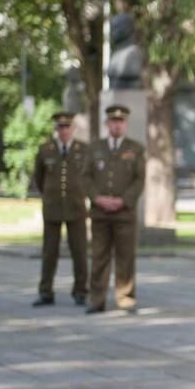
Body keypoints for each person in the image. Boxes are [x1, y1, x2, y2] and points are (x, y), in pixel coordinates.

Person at [83, 105, 145, 314]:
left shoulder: (136, 149)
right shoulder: (95, 148)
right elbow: (85, 176)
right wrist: (96, 197)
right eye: (113, 121)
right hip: (100, 212)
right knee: (99, 257)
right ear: (107, 124)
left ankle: (126, 298)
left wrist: (123, 200)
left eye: (121, 122)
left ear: (125, 124)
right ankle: (96, 300)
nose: (117, 125)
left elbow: (139, 179)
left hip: (124, 213)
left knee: (125, 257)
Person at [32, 112, 89, 307]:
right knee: (49, 252)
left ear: (73, 129)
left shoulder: (84, 149)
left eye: (67, 127)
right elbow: (39, 179)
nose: (63, 131)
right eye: (60, 127)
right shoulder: (45, 149)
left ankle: (81, 291)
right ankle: (45, 291)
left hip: (76, 208)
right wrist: (49, 194)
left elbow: (89, 177)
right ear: (56, 129)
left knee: (79, 251)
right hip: (52, 208)